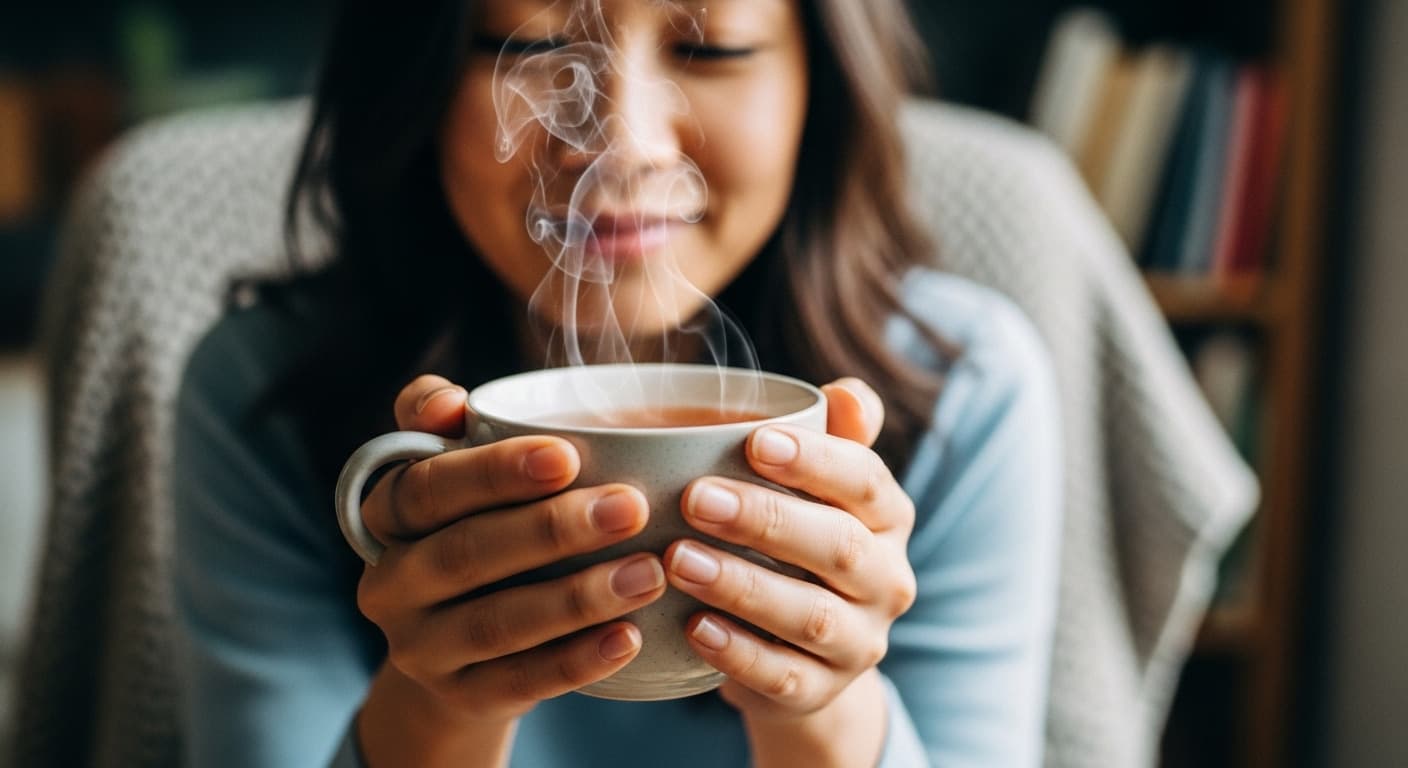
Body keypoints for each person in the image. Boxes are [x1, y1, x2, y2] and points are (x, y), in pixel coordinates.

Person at [171, 0, 1063, 766]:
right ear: (412, 77)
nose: (621, 145)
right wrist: (443, 704)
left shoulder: (960, 389)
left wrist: (821, 702)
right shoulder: (267, 392)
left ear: (819, 85)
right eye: (526, 46)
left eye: (711, 48)